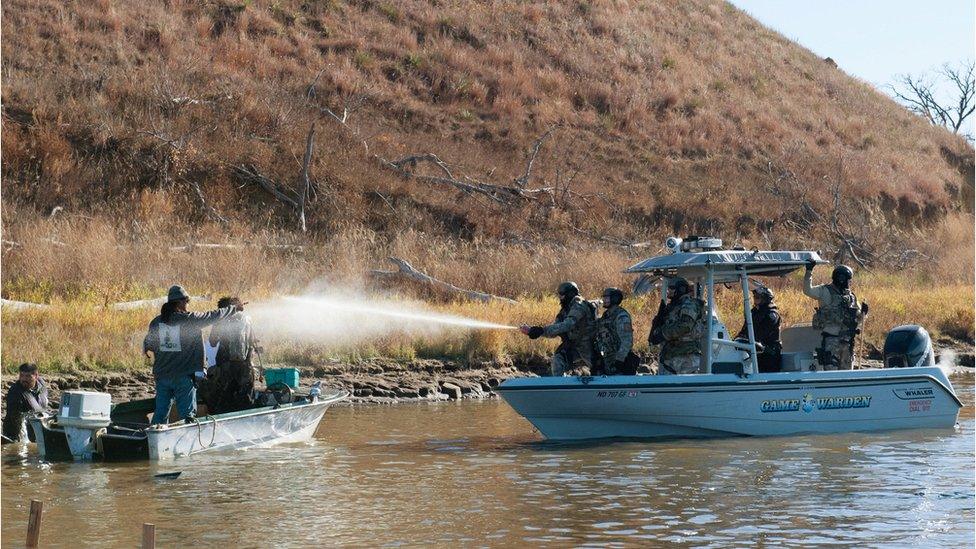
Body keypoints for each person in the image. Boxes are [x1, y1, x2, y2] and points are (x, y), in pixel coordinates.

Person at [143, 285, 237, 424]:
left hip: (162, 377)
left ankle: (156, 438)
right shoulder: (189, 319)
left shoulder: (156, 322)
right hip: (183, 377)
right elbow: (214, 316)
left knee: (160, 414)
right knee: (187, 417)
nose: (187, 305)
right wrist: (232, 308)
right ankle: (186, 442)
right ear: (181, 302)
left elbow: (149, 344)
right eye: (187, 302)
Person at [520, 281, 598, 376]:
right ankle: (561, 387)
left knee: (598, 371)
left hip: (588, 346)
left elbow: (567, 325)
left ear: (570, 293)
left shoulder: (579, 305)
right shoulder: (565, 310)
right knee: (558, 361)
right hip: (573, 347)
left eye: (562, 294)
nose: (560, 297)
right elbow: (555, 330)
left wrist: (542, 330)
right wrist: (534, 331)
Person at [803, 263, 868, 370]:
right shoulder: (824, 291)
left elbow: (858, 319)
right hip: (831, 341)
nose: (847, 282)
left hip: (847, 342)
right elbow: (807, 290)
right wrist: (809, 271)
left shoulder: (851, 297)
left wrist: (864, 313)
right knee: (831, 372)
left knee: (847, 375)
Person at [203, 297, 260, 414]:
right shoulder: (247, 320)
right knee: (246, 395)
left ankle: (223, 420)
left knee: (225, 394)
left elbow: (212, 342)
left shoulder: (220, 320)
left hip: (226, 365)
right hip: (245, 365)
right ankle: (246, 419)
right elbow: (252, 342)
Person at [649, 277, 706, 375]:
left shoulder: (689, 304)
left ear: (681, 289)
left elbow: (684, 326)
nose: (668, 290)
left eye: (671, 288)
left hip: (686, 356)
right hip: (672, 355)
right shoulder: (672, 307)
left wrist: (663, 333)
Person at [735, 286, 782, 373]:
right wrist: (737, 339)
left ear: (765, 299)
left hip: (770, 355)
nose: (754, 300)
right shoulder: (754, 312)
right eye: (754, 297)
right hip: (756, 352)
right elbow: (745, 329)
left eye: (757, 297)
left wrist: (748, 340)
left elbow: (761, 334)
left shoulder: (772, 315)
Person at [594, 287, 639, 375]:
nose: (604, 300)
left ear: (614, 299)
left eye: (606, 297)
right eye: (604, 297)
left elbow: (627, 341)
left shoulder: (621, 316)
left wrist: (619, 361)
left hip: (620, 363)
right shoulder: (606, 316)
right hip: (607, 359)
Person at [1, 363, 49, 443]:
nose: (23, 379)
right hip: (15, 432)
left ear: (36, 376)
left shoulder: (41, 384)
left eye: (27, 376)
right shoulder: (15, 391)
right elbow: (15, 417)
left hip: (38, 426)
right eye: (21, 375)